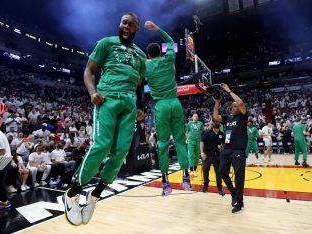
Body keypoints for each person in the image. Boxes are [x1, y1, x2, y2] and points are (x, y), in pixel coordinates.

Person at [63, 12, 146, 226]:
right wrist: (92, 93)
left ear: (137, 28)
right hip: (106, 98)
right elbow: (89, 71)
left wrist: (140, 106)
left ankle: (96, 195)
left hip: (129, 103)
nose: (126, 26)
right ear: (120, 24)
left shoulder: (140, 55)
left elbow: (140, 85)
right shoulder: (106, 43)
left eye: (131, 24)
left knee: (121, 151)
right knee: (102, 145)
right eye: (123, 22)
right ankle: (72, 192)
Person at [144, 20, 192, 196]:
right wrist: (156, 27)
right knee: (180, 141)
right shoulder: (169, 58)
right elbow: (171, 41)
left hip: (161, 106)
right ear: (160, 52)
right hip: (175, 103)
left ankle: (165, 182)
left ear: (149, 55)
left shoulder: (146, 65)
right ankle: (186, 177)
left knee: (163, 143)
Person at [213, 83, 248, 214]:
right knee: (222, 172)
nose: (233, 107)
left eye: (235, 106)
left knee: (239, 177)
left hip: (238, 151)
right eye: (232, 106)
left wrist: (229, 91)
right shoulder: (228, 118)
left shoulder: (243, 117)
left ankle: (240, 202)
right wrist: (217, 102)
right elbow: (216, 117)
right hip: (226, 150)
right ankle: (233, 193)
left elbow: (240, 104)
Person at [200, 121, 225, 196]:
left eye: (218, 128)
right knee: (205, 170)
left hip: (217, 156)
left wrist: (221, 147)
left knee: (218, 172)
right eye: (215, 129)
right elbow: (202, 142)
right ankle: (205, 185)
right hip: (207, 155)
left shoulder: (221, 134)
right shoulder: (208, 133)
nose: (216, 130)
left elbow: (224, 144)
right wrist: (202, 153)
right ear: (212, 127)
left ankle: (219, 188)